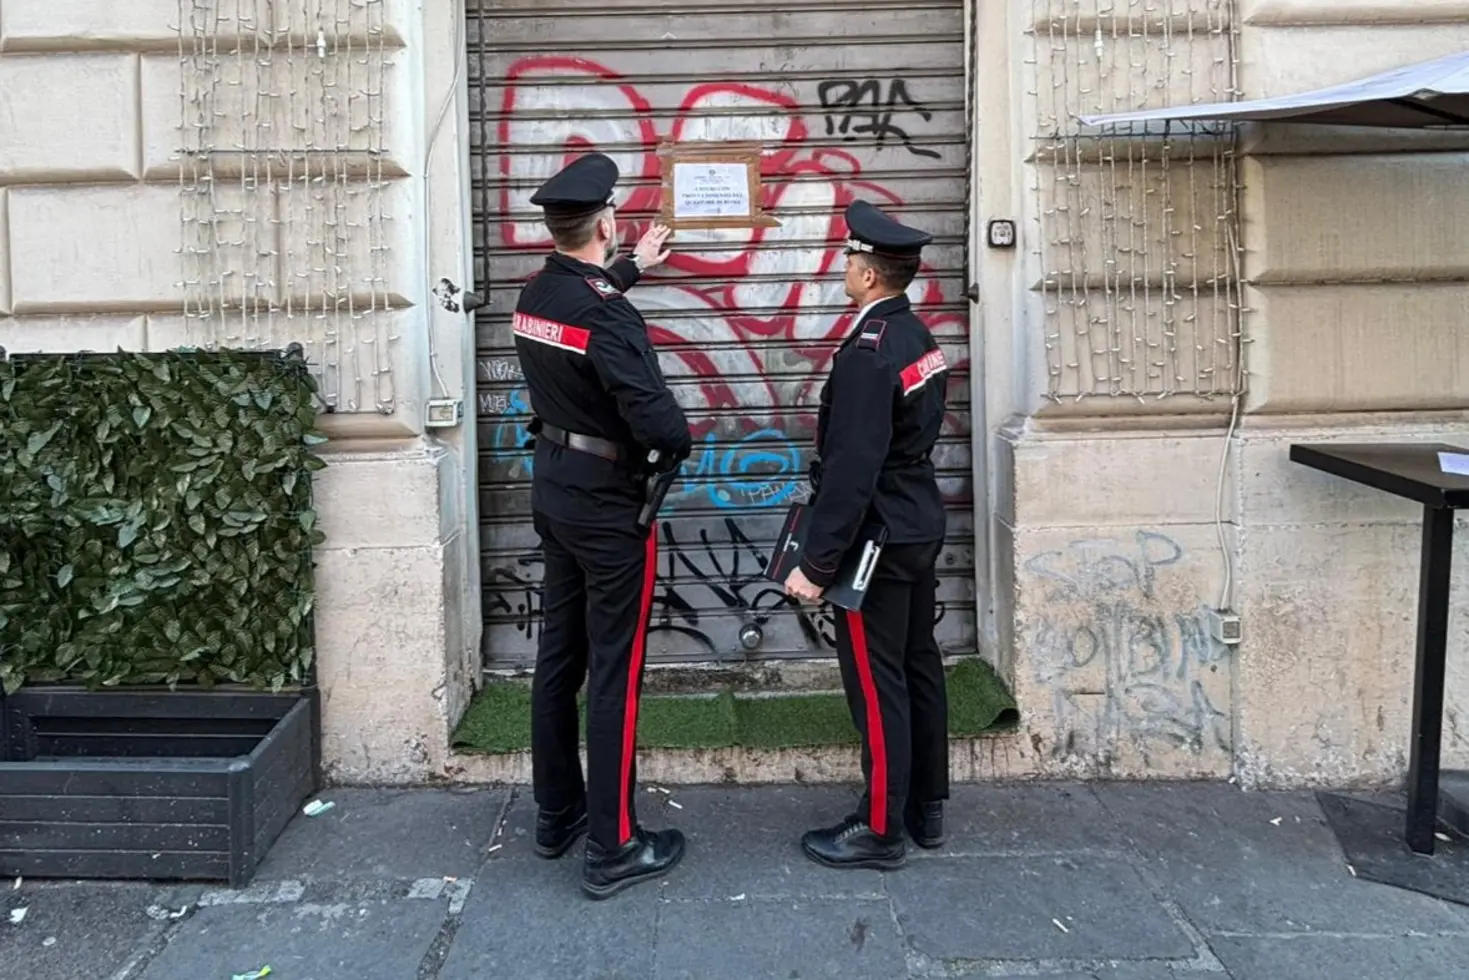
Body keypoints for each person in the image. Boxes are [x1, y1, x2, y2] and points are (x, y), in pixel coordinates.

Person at [513, 151, 693, 898]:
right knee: (615, 671)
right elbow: (660, 422)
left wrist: (632, 268)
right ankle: (614, 844)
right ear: (608, 223)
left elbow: (583, 308)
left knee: (560, 656)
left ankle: (557, 814)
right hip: (609, 507)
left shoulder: (536, 294)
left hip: (555, 489)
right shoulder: (607, 314)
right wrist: (675, 443)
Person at [783, 199, 951, 870]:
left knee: (878, 683)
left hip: (875, 538)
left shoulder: (868, 352)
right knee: (917, 666)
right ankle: (925, 806)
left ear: (870, 274)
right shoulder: (917, 337)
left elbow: (851, 469)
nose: (844, 266)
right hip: (916, 520)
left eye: (850, 258)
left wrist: (818, 564)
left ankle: (881, 827)